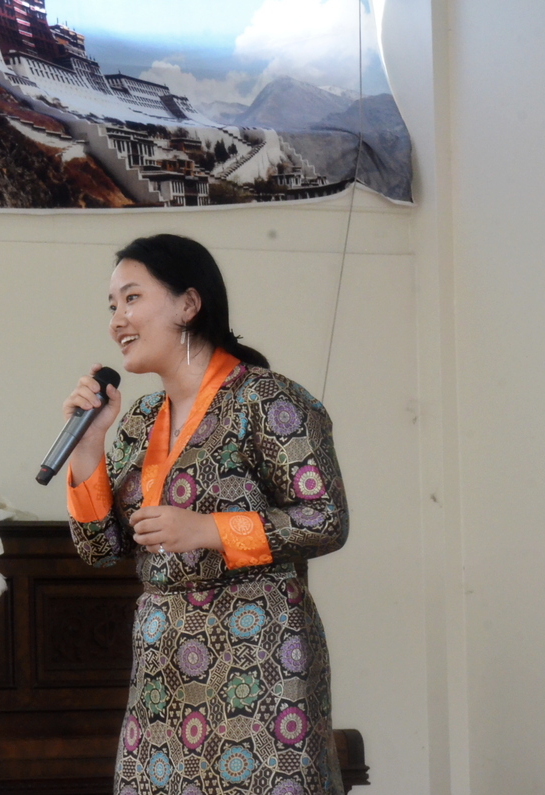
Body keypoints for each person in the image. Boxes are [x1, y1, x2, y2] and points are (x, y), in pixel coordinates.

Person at [63, 234, 348, 795]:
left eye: (133, 298)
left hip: (260, 651)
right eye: (113, 306)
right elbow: (98, 548)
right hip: (163, 659)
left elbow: (327, 518)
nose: (118, 318)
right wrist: (89, 445)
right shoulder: (142, 419)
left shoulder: (266, 399)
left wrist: (208, 530)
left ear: (189, 304)